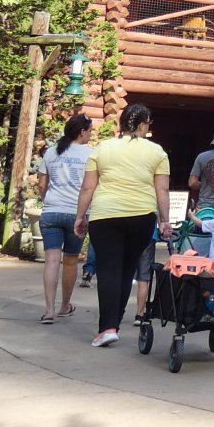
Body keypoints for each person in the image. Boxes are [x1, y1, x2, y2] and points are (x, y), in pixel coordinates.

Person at [74, 103, 174, 348]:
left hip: (105, 215)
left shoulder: (102, 148)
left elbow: (88, 187)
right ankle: (113, 324)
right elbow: (162, 189)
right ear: (142, 124)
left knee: (108, 269)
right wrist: (165, 220)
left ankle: (107, 327)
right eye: (148, 124)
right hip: (141, 216)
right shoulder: (157, 152)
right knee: (127, 268)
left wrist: (79, 216)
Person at [34, 114, 93, 324]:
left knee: (51, 260)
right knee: (70, 261)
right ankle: (64, 305)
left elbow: (42, 184)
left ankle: (48, 310)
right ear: (81, 132)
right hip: (77, 213)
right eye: (89, 130)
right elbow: (91, 186)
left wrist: (47, 201)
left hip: (51, 211)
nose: (91, 134)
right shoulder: (90, 155)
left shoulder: (51, 152)